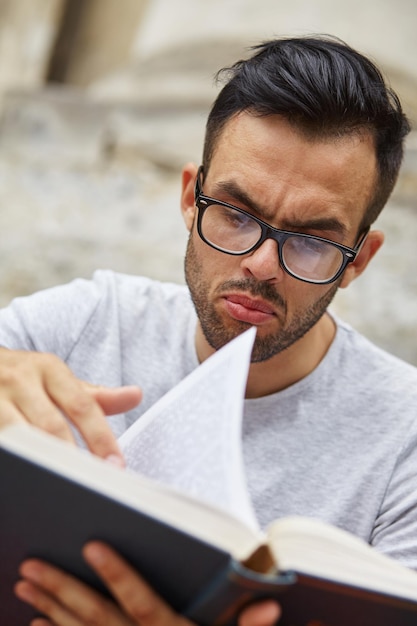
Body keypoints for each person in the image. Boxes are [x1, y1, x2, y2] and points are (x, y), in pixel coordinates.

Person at [2, 34, 414, 625]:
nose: (261, 264)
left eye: (312, 241)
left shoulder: (406, 442)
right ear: (190, 201)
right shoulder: (88, 322)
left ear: (360, 260)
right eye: (236, 214)